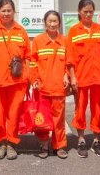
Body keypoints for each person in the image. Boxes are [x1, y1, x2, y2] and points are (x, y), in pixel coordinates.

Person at [0, 0, 30, 160]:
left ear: (14, 12)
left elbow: (27, 57)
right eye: (3, 10)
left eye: (9, 10)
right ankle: (0, 143)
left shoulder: (21, 30)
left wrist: (28, 77)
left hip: (18, 81)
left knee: (14, 114)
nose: (6, 13)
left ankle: (12, 143)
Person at [66, 0, 100, 158]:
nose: (88, 14)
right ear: (79, 12)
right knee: (80, 108)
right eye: (85, 12)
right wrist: (72, 77)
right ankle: (81, 140)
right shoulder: (74, 31)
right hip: (81, 77)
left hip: (98, 77)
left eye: (91, 11)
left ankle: (96, 140)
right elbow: (70, 57)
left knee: (97, 109)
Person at [30, 10, 69, 159]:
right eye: (50, 21)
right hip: (42, 88)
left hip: (59, 88)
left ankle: (59, 146)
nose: (52, 24)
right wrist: (34, 80)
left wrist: (66, 75)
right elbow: (33, 63)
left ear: (59, 23)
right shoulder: (38, 41)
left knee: (59, 119)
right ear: (45, 23)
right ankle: (44, 145)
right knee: (43, 118)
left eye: (55, 21)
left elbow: (69, 62)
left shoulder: (65, 41)